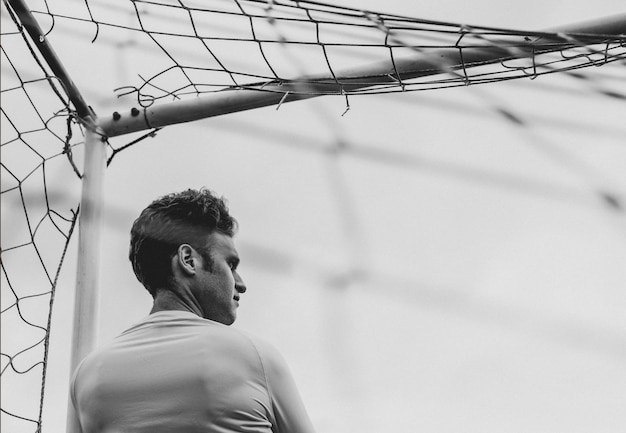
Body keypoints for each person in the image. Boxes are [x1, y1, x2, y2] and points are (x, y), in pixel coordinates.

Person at [70, 188, 316, 433]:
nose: (240, 282)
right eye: (230, 264)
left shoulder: (88, 375)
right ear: (189, 260)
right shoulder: (255, 358)